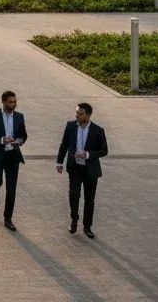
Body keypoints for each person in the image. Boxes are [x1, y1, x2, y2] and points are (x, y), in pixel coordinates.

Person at [57, 102, 108, 238]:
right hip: (74, 168)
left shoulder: (98, 130)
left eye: (80, 114)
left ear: (88, 115)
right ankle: (74, 219)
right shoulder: (71, 126)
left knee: (89, 199)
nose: (77, 116)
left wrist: (88, 155)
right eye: (76, 113)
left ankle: (87, 226)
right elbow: (64, 144)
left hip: (91, 170)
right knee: (73, 195)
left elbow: (104, 151)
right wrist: (59, 162)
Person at [0, 90, 28, 231]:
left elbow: (23, 135)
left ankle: (8, 218)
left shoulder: (20, 117)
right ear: (3, 102)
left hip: (12, 157)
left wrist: (20, 141)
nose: (13, 104)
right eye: (10, 102)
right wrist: (2, 139)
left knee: (11, 189)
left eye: (14, 102)